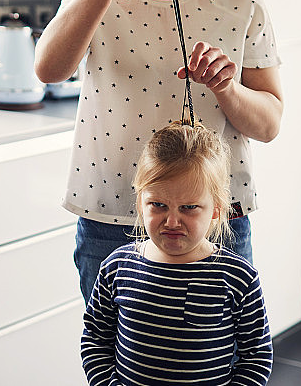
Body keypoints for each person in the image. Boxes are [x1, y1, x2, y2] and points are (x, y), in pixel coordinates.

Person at [34, 0, 284, 303]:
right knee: (115, 347)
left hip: (214, 220)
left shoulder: (240, 0)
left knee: (214, 347)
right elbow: (48, 71)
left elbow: (268, 126)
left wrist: (227, 88)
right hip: (113, 218)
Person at [81, 122, 273, 385]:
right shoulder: (115, 268)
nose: (172, 221)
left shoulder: (239, 277)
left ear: (216, 210)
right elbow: (95, 341)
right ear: (141, 203)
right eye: (158, 205)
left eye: (189, 207)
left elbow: (257, 356)